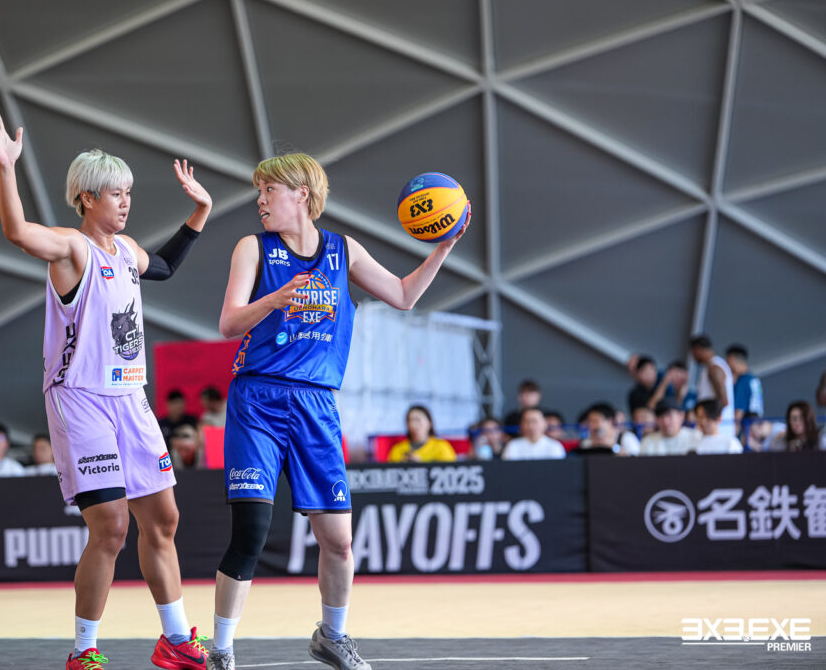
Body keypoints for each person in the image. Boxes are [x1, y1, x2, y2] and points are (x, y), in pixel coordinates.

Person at [207, 153, 470, 670]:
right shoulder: (252, 248)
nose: (260, 200)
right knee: (252, 531)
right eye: (259, 192)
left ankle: (333, 636)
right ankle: (220, 650)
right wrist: (274, 299)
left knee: (339, 540)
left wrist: (443, 246)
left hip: (316, 403)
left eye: (269, 190)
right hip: (258, 400)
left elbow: (403, 295)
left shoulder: (342, 249)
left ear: (301, 193)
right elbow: (228, 323)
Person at [0, 103, 212, 670]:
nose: (126, 201)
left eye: (129, 192)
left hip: (130, 397)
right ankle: (84, 650)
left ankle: (174, 640)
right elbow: (17, 232)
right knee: (111, 527)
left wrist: (200, 211)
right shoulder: (72, 248)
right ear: (86, 198)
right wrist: (7, 167)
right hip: (80, 399)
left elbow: (165, 267)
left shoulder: (127, 251)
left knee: (164, 521)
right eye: (115, 193)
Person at [690, 335, 735, 438]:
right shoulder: (709, 367)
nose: (692, 356)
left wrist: (707, 420)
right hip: (713, 428)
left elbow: (723, 401)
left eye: (693, 352)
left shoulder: (714, 368)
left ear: (697, 349)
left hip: (718, 430)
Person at [386, 405, 457, 463]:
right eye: (410, 421)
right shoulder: (398, 449)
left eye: (417, 420)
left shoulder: (441, 447)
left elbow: (449, 471)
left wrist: (421, 464)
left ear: (429, 423)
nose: (413, 425)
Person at [501, 408, 566, 461]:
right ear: (521, 424)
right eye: (527, 421)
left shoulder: (555, 446)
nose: (531, 426)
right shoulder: (513, 445)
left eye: (534, 421)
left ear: (544, 423)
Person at [725, 344, 764, 429]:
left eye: (727, 361)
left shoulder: (743, 381)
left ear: (732, 359)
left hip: (746, 430)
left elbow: (738, 414)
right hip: (757, 427)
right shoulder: (753, 379)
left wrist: (733, 434)